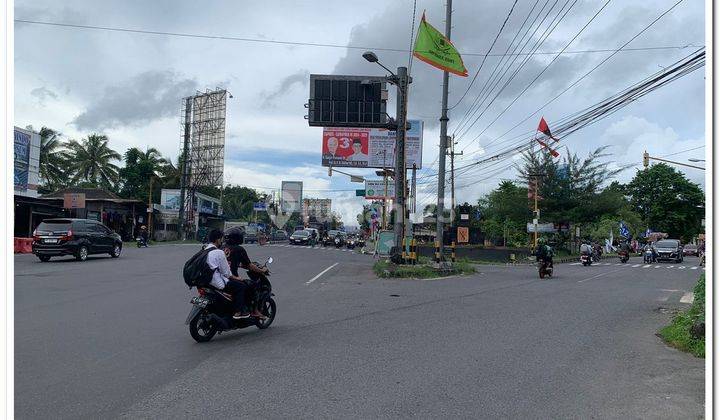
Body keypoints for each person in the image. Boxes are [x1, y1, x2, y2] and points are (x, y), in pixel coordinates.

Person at [204, 229, 251, 320]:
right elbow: (227, 273)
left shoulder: (206, 250)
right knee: (241, 286)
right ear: (218, 240)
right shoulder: (219, 252)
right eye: (221, 238)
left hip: (205, 280)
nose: (222, 241)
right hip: (217, 282)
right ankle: (238, 312)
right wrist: (237, 278)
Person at [223, 227, 269, 319]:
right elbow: (249, 265)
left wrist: (240, 265)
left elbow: (232, 261)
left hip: (218, 278)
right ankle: (254, 311)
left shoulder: (221, 247)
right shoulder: (239, 249)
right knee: (253, 285)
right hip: (231, 278)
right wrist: (261, 270)